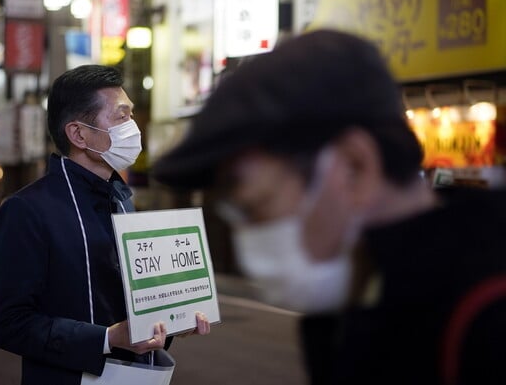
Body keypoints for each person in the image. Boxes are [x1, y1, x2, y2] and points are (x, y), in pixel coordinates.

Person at [152, 29, 506, 385]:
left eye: (256, 205)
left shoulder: (486, 320)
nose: (249, 240)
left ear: (355, 165)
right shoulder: (358, 304)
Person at [0, 65, 210, 385]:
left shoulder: (121, 198)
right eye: (121, 117)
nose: (133, 128)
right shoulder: (26, 210)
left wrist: (174, 319)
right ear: (78, 134)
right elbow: (9, 324)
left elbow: (133, 308)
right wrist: (106, 339)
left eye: (131, 115)